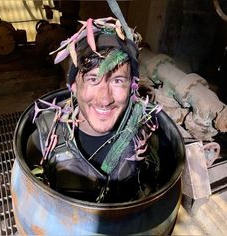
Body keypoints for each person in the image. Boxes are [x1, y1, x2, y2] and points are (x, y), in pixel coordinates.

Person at [26, 17, 162, 203]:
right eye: (92, 79)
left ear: (132, 86)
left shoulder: (144, 134)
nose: (104, 99)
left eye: (118, 80)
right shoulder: (43, 138)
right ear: (73, 86)